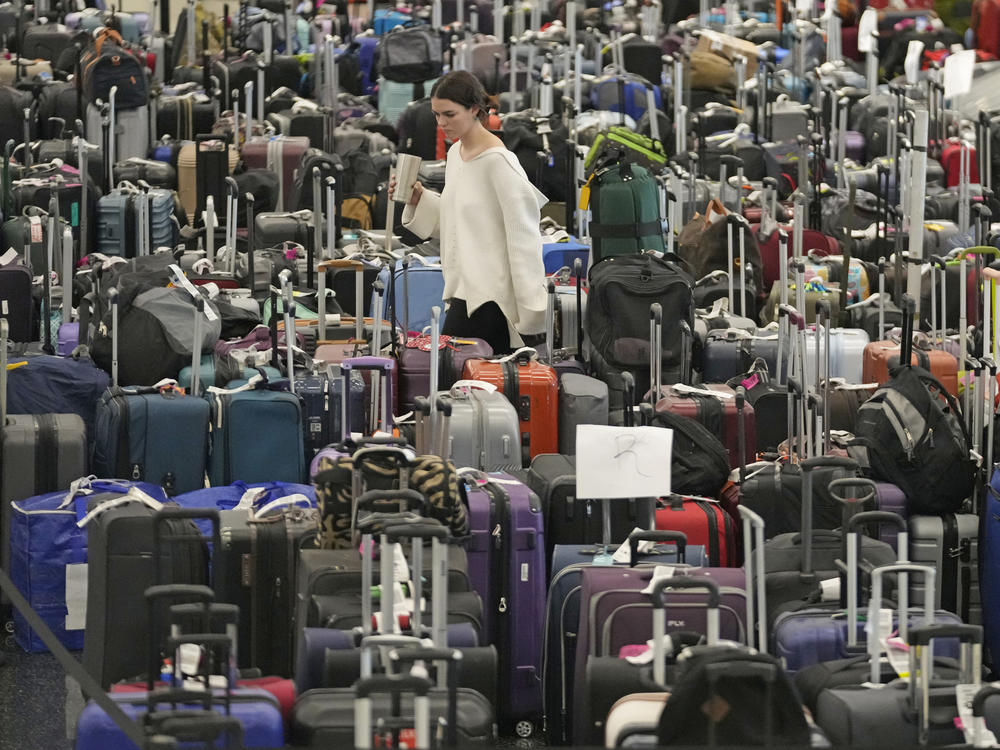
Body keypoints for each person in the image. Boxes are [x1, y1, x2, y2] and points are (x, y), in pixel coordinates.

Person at [388, 71, 548, 354]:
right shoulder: (456, 153)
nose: (441, 123)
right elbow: (457, 223)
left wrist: (532, 318)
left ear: (475, 109)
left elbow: (525, 240)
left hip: (492, 302)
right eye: (436, 115)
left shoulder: (499, 163)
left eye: (449, 114)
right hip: (463, 292)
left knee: (458, 384)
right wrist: (419, 198)